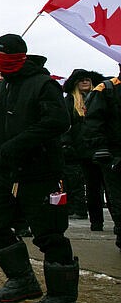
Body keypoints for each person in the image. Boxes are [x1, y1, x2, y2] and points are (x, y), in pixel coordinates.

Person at [0, 34, 78, 303]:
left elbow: (58, 121)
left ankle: (62, 298)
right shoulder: (0, 87)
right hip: (7, 172)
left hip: (40, 170)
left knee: (49, 233)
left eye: (3, 59)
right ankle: (22, 280)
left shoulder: (43, 85)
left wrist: (19, 143)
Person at [80, 65, 121, 241]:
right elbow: (94, 121)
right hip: (115, 152)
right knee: (116, 194)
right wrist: (100, 147)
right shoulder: (106, 89)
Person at [61, 69, 103, 221]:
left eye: (88, 79)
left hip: (99, 147)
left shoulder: (100, 98)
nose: (85, 82)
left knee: (101, 186)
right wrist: (66, 144)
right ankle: (88, 216)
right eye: (81, 80)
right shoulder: (69, 102)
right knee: (80, 183)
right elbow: (64, 125)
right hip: (78, 150)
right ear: (75, 83)